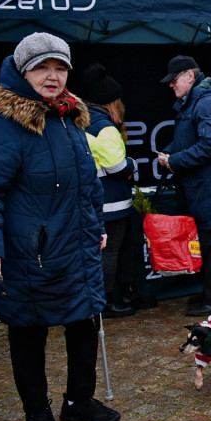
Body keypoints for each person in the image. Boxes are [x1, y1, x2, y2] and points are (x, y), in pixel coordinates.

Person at [0, 32, 120, 421]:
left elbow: (86, 185)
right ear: (22, 71)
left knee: (84, 321)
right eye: (42, 67)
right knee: (28, 331)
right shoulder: (6, 126)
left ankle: (79, 401)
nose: (52, 76)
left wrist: (96, 228)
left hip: (76, 245)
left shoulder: (70, 116)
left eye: (60, 67)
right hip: (29, 253)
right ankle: (37, 413)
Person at [157, 55, 211, 315]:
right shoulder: (193, 102)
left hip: (210, 191)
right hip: (201, 190)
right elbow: (190, 140)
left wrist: (175, 161)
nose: (171, 85)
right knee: (204, 245)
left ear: (190, 76)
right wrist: (170, 154)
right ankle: (209, 294)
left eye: (174, 79)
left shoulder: (207, 103)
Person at [82, 63, 141, 317]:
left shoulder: (82, 123)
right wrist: (133, 164)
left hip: (101, 202)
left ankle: (120, 295)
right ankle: (106, 303)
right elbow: (117, 166)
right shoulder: (103, 127)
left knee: (116, 251)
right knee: (111, 252)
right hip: (111, 204)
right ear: (111, 102)